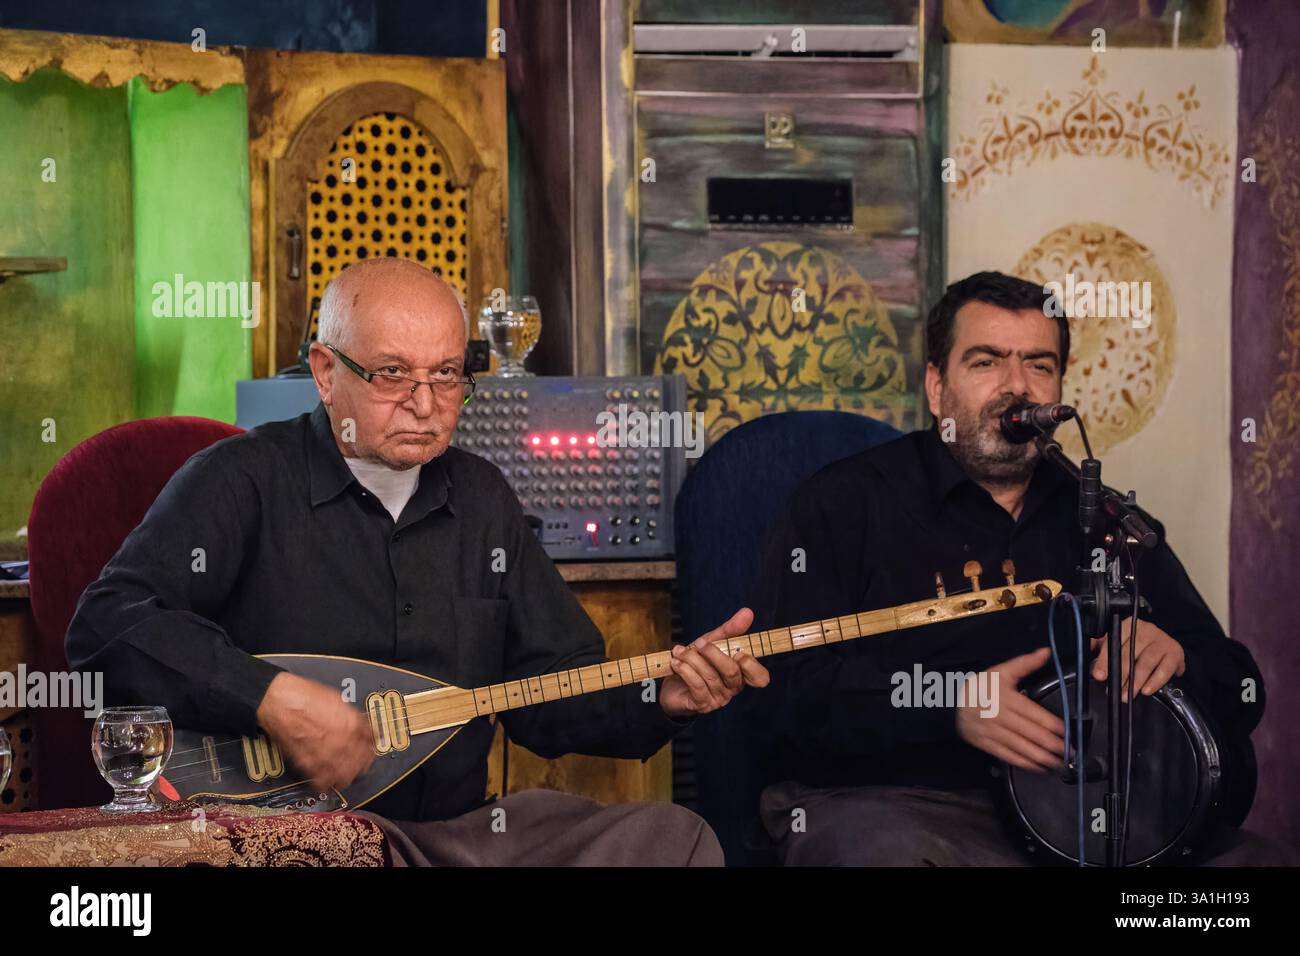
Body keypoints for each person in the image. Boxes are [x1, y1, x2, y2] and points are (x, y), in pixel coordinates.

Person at [67, 257, 768, 866]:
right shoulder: (241, 480)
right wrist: (268, 697)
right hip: (292, 839)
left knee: (673, 839)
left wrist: (662, 695)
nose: (426, 405)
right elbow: (107, 625)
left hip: (457, 838)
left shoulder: (483, 499)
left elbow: (554, 692)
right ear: (324, 371)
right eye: (392, 374)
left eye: (448, 375)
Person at [747, 271, 1289, 866]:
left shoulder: (1107, 520)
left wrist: (1176, 657)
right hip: (908, 806)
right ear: (936, 386)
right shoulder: (842, 505)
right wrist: (949, 708)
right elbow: (782, 699)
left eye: (1039, 364)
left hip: (1084, 810)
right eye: (986, 363)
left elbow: (1242, 687)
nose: (1017, 389)